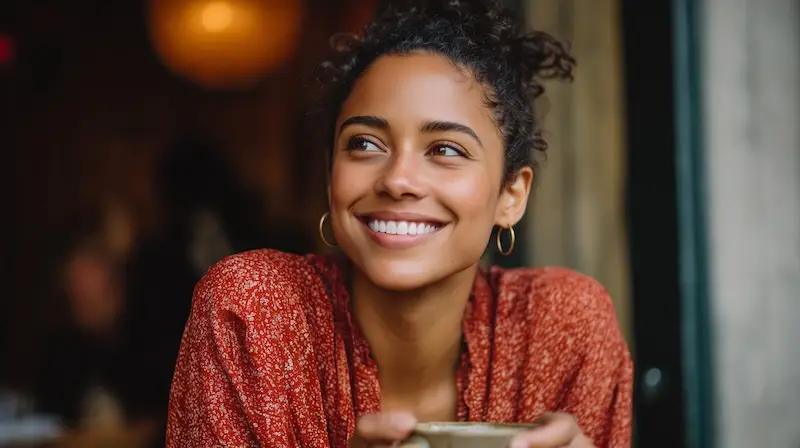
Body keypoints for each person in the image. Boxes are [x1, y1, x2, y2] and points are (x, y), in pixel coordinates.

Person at [166, 1, 632, 447]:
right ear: (331, 178)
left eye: (446, 150)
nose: (397, 179)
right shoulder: (254, 314)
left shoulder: (564, 329)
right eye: (365, 144)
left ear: (511, 196)